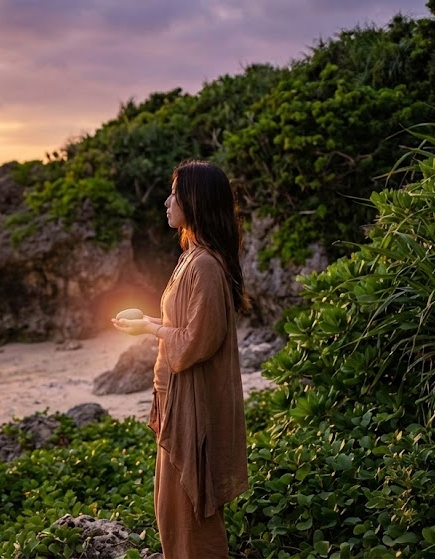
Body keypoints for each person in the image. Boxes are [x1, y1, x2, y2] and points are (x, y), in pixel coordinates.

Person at [112, 159, 250, 558]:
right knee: (171, 511)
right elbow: (185, 325)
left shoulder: (205, 265)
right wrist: (149, 324)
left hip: (191, 406)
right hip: (174, 398)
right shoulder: (192, 256)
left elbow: (195, 343)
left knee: (189, 512)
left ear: (194, 201)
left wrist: (153, 330)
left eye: (175, 193)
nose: (167, 201)